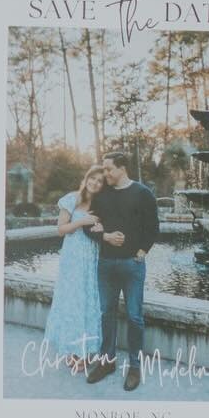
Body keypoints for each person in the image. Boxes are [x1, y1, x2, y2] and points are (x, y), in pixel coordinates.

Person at [83, 151, 159, 391]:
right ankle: (107, 362)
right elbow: (87, 226)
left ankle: (135, 367)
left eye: (109, 169)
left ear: (122, 168)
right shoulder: (102, 195)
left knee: (135, 316)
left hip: (132, 265)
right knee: (107, 313)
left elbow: (153, 228)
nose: (105, 173)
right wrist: (105, 236)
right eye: (104, 169)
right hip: (106, 264)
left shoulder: (143, 193)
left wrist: (142, 252)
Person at [43, 163, 106, 372]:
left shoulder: (100, 203)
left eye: (100, 181)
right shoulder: (71, 199)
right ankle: (72, 349)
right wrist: (82, 221)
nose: (95, 183)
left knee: (88, 301)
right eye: (93, 178)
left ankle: (86, 352)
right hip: (72, 258)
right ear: (86, 178)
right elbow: (61, 229)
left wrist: (101, 227)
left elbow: (104, 228)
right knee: (72, 301)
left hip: (91, 257)